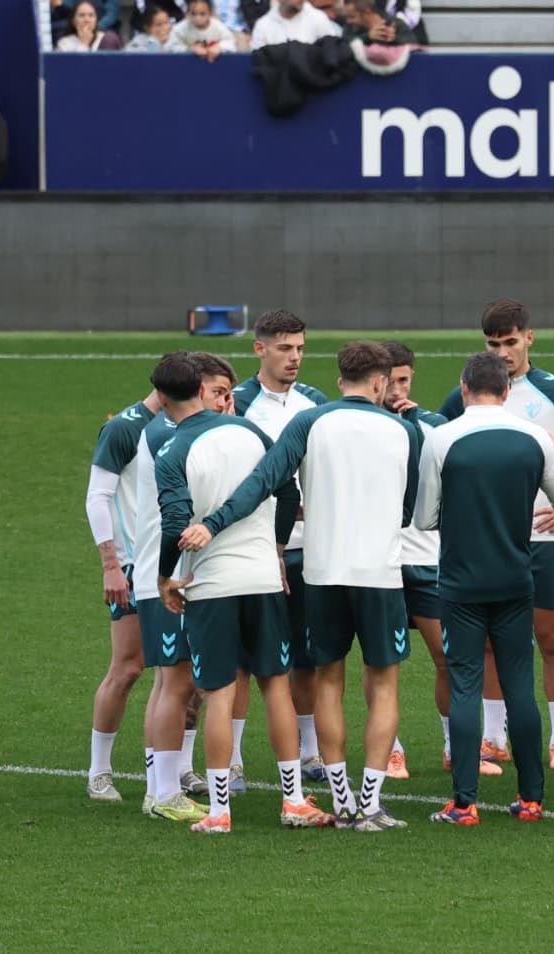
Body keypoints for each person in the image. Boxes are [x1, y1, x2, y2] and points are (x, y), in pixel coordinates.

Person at [180, 341, 422, 834]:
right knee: (383, 684)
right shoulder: (405, 430)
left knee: (327, 681)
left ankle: (341, 798)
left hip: (322, 572)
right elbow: (409, 509)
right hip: (379, 574)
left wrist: (215, 522)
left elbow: (262, 481)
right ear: (380, 383)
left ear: (339, 382)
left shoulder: (309, 421)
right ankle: (368, 804)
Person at [153, 354, 334, 834]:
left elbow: (175, 523)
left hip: (210, 585)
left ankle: (219, 811)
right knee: (276, 684)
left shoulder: (172, 453)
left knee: (218, 694)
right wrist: (274, 549)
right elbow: (287, 492)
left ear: (165, 399)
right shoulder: (253, 433)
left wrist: (164, 579)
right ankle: (293, 800)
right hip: (262, 578)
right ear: (205, 390)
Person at [437, 300, 554, 777]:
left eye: (511, 342)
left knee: (551, 637)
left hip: (540, 538)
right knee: (488, 643)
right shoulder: (464, 397)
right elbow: (436, 445)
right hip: (483, 539)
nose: (503, 351)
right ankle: (493, 739)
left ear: (529, 338)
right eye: (494, 344)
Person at [418, 352, 554, 826]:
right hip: (515, 578)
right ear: (506, 391)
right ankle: (532, 798)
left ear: (464, 389)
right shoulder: (535, 438)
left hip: (461, 582)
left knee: (465, 684)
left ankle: (464, 803)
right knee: (520, 686)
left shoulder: (442, 438)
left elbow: (424, 517)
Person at [230, 310, 331, 782]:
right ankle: (231, 757)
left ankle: (309, 752)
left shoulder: (315, 402)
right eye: (285, 348)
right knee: (246, 662)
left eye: (301, 348)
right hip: (255, 550)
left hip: (309, 549)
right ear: (260, 349)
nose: (295, 358)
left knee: (308, 658)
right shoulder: (238, 402)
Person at [134, 351, 232, 820]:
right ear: (195, 390)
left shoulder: (159, 431)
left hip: (159, 570)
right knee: (176, 683)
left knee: (166, 683)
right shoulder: (174, 436)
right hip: (169, 573)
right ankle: (165, 794)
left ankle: (158, 789)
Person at [75, 379, 160, 804]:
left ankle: (178, 771)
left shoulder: (184, 424)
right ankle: (99, 772)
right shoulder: (125, 429)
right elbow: (98, 498)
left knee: (186, 674)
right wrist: (111, 565)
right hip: (132, 566)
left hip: (175, 565)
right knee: (128, 668)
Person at [379, 341, 451, 780]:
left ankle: (451, 743)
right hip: (380, 561)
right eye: (390, 381)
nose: (397, 389)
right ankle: (392, 748)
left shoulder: (436, 427)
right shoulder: (356, 424)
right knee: (384, 662)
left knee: (446, 654)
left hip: (426, 558)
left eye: (404, 380)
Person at [339, 0, 416, 43]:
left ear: (367, 12)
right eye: (347, 17)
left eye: (352, 17)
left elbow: (414, 44)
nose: (348, 21)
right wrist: (368, 37)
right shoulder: (349, 27)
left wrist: (393, 38)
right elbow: (343, 45)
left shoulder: (396, 23)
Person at [171, 0, 239, 57]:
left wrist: (219, 47)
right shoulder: (180, 29)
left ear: (210, 13)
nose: (197, 18)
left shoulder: (218, 26)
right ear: (187, 13)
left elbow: (231, 42)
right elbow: (172, 47)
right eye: (193, 13)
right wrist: (190, 49)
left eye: (202, 14)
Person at [56, 0, 122, 50]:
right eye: (82, 15)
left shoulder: (105, 40)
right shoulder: (64, 43)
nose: (87, 20)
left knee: (111, 37)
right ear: (73, 21)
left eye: (91, 15)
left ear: (96, 20)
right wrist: (84, 44)